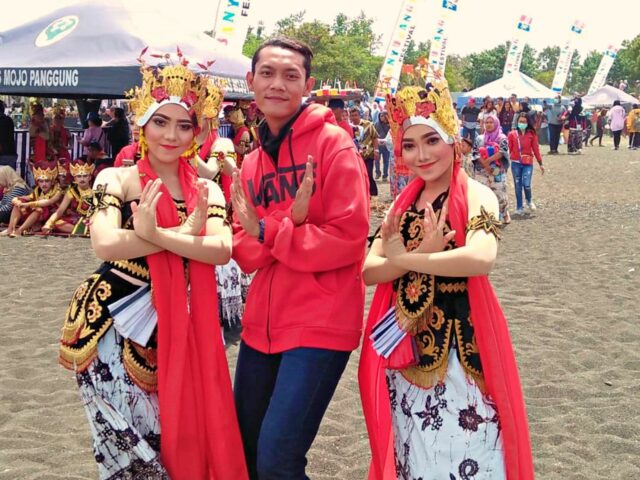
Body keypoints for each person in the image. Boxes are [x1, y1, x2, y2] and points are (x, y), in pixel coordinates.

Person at [58, 53, 248, 479]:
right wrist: (186, 237)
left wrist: (159, 234)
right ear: (142, 124)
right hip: (115, 321)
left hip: (184, 320)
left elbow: (220, 250)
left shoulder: (208, 190)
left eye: (184, 125)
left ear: (197, 131)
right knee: (129, 444)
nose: (171, 134)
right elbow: (105, 244)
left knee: (175, 434)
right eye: (161, 122)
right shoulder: (117, 179)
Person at [359, 78, 534, 480]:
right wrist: (418, 256)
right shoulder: (401, 205)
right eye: (409, 145)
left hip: (460, 348)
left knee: (469, 447)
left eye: (431, 141)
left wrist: (408, 258)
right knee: (414, 450)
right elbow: (370, 271)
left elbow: (481, 257)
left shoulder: (476, 194)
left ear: (452, 139)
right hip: (405, 350)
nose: (421, 155)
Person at [230, 36, 369, 479]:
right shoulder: (251, 163)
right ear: (251, 81)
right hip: (260, 326)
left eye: (291, 76)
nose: (277, 84)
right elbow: (243, 249)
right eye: (267, 74)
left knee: (277, 461)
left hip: (319, 324)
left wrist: (271, 229)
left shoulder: (334, 146)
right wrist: (292, 223)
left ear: (307, 84)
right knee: (247, 454)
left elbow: (349, 238)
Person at [1, 163, 63, 237]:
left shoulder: (58, 190)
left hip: (52, 216)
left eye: (47, 181)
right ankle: (10, 229)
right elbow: (29, 197)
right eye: (41, 181)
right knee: (18, 204)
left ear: (52, 181)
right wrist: (17, 199)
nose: (44, 184)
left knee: (39, 209)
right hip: (40, 215)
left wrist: (27, 204)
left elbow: (49, 202)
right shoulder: (38, 190)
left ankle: (19, 231)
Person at [473, 113, 511, 224]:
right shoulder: (479, 138)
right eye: (486, 122)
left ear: (496, 123)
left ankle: (505, 214)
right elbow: (475, 153)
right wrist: (485, 165)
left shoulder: (502, 138)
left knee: (500, 194)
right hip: (482, 171)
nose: (488, 125)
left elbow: (502, 152)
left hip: (497, 171)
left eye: (491, 122)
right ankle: (485, 216)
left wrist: (488, 161)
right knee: (482, 193)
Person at [42, 161, 95, 236]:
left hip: (91, 219)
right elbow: (59, 211)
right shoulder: (71, 192)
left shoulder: (96, 191)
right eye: (79, 176)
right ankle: (84, 232)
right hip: (75, 220)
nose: (82, 179)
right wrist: (48, 223)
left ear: (89, 177)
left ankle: (84, 231)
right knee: (58, 223)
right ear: (75, 178)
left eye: (85, 176)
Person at [508, 112, 545, 215]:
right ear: (517, 122)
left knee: (526, 184)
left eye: (524, 122)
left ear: (528, 122)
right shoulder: (512, 134)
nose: (522, 123)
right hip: (515, 163)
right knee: (518, 185)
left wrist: (540, 163)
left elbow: (536, 149)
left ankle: (529, 200)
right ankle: (519, 207)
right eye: (520, 121)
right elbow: (509, 149)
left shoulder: (531, 134)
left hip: (527, 163)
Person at [350, 106, 380, 201]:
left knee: (369, 174)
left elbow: (374, 137)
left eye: (356, 115)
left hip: (369, 154)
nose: (354, 117)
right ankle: (363, 195)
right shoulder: (350, 127)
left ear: (360, 115)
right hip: (356, 156)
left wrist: (376, 150)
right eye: (352, 115)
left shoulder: (368, 124)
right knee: (359, 176)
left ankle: (373, 193)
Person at [375, 110, 391, 182]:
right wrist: (377, 141)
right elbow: (374, 134)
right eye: (380, 116)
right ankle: (378, 173)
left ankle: (385, 175)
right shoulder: (376, 124)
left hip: (386, 145)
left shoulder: (390, 125)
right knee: (377, 160)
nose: (381, 117)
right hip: (378, 145)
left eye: (383, 116)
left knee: (386, 161)